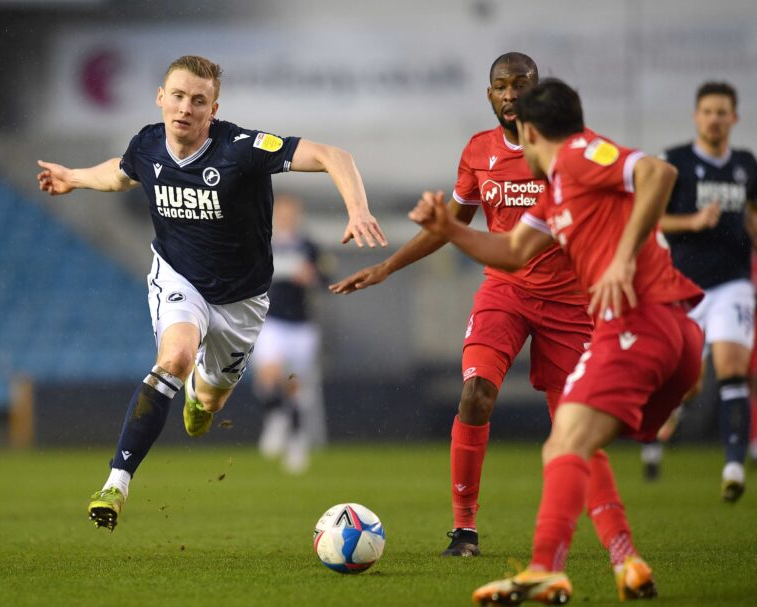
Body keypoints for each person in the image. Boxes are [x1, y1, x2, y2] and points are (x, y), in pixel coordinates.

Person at [36, 55, 386, 531]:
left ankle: (199, 399)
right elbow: (120, 174)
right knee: (175, 358)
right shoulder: (147, 145)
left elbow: (333, 155)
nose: (185, 108)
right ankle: (116, 483)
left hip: (243, 301)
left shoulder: (242, 149)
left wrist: (358, 210)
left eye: (198, 101)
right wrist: (74, 178)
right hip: (179, 278)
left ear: (213, 109)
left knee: (210, 401)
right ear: (161, 98)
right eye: (178, 96)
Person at [332, 53, 636, 565]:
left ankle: (618, 545)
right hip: (505, 292)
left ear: (538, 91)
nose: (510, 94)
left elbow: (632, 192)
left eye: (521, 84)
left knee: (574, 428)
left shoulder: (576, 151)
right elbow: (452, 224)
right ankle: (464, 528)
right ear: (489, 94)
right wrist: (387, 267)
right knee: (475, 394)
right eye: (501, 86)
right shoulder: (479, 151)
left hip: (571, 303)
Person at [410, 78, 702, 604]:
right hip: (673, 335)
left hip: (639, 323)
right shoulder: (557, 191)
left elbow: (660, 172)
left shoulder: (579, 154)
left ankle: (546, 570)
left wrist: (622, 259)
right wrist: (448, 229)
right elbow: (511, 252)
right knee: (571, 439)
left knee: (565, 442)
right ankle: (626, 562)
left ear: (528, 131)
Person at [639, 82, 757, 500]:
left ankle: (733, 468)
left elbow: (753, 217)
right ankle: (664, 426)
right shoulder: (675, 162)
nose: (714, 119)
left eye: (722, 112)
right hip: (684, 289)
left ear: (734, 117)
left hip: (733, 284)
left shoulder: (745, 164)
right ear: (696, 116)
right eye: (707, 111)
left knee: (732, 370)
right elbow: (649, 218)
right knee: (687, 383)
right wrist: (691, 222)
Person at [251, 193, 329, 474]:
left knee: (295, 386)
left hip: (302, 325)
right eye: (282, 213)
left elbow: (326, 278)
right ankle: (275, 416)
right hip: (271, 321)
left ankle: (296, 441)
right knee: (269, 375)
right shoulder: (262, 243)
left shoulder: (309, 247)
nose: (286, 218)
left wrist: (312, 276)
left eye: (291, 213)